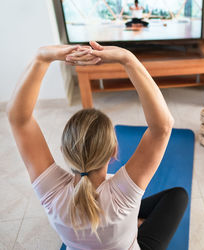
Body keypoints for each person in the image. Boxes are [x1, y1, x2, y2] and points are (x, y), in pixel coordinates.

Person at [6, 41, 188, 250]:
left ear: (64, 151)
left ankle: (132, 222)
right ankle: (135, 223)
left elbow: (18, 119)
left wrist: (41, 58)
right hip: (128, 227)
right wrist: (128, 59)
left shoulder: (52, 194)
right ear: (114, 152)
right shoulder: (122, 196)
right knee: (177, 196)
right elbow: (162, 126)